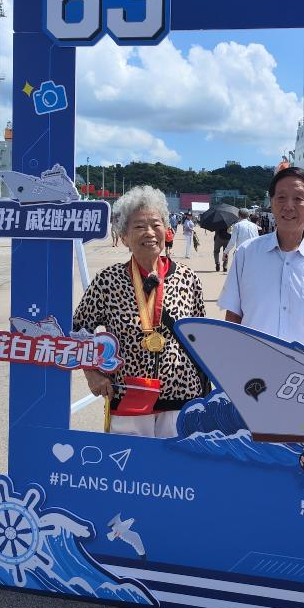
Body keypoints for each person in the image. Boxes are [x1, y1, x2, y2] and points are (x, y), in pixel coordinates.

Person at [73, 186, 209, 438]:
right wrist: (92, 373)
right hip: (128, 398)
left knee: (178, 463)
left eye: (156, 225)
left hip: (181, 398)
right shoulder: (108, 280)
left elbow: (201, 338)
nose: (149, 232)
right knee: (129, 462)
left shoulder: (188, 278)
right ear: (124, 236)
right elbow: (79, 329)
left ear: (166, 230)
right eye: (138, 226)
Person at [219, 166, 304, 356]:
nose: (289, 206)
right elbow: (233, 317)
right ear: (272, 202)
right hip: (256, 368)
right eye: (281, 197)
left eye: (298, 198)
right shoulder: (246, 254)